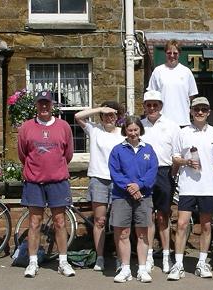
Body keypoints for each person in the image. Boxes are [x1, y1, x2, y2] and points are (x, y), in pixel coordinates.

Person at [17, 90, 75, 278]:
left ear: (52, 106)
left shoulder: (64, 126)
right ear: (36, 105)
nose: (44, 106)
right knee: (34, 222)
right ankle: (32, 262)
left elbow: (68, 154)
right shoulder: (26, 127)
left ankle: (63, 262)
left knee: (59, 221)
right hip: (34, 181)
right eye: (41, 103)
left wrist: (54, 168)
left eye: (47, 103)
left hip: (58, 181)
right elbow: (22, 154)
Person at [168, 97, 213, 280]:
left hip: (208, 187)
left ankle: (202, 262)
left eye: (203, 109)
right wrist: (186, 161)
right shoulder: (183, 132)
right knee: (181, 224)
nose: (200, 112)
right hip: (188, 186)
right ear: (191, 111)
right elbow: (175, 157)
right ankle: (178, 264)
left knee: (206, 226)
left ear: (208, 112)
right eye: (196, 109)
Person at [74, 101, 124, 271]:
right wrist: (99, 109)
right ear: (101, 117)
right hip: (99, 180)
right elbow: (77, 116)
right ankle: (100, 257)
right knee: (100, 220)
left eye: (112, 115)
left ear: (117, 117)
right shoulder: (94, 130)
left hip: (118, 181)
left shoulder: (123, 134)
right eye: (106, 115)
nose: (109, 118)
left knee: (119, 222)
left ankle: (120, 258)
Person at [109, 116, 159, 283]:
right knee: (123, 233)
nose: (133, 133)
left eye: (135, 130)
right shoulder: (117, 150)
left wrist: (139, 186)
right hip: (121, 196)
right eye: (129, 130)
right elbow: (115, 173)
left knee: (143, 233)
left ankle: (142, 269)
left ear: (140, 130)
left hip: (143, 196)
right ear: (125, 131)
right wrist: (130, 188)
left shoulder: (148, 149)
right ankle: (125, 269)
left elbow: (152, 172)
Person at [140, 90, 181, 273]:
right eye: (148, 105)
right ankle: (148, 256)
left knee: (163, 216)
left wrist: (171, 175)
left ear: (161, 106)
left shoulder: (172, 126)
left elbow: (177, 155)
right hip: (144, 174)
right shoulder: (139, 126)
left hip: (164, 173)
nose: (152, 108)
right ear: (144, 107)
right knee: (147, 216)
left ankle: (166, 256)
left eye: (155, 105)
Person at [147, 39, 199, 127]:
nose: (172, 56)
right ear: (165, 54)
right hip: (162, 121)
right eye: (169, 53)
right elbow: (151, 95)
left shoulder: (186, 72)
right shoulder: (158, 71)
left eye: (175, 53)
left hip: (182, 121)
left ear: (179, 54)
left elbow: (191, 96)